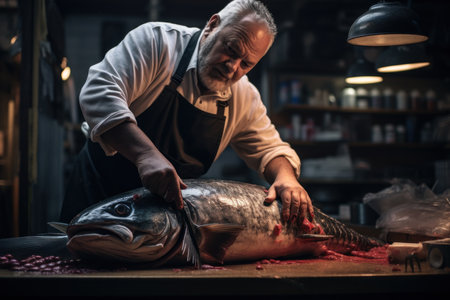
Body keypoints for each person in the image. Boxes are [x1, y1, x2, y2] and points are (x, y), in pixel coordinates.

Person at [60, 0, 314, 225]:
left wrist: (286, 177)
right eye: (231, 50)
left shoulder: (244, 96)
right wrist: (145, 155)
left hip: (163, 219)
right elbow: (100, 91)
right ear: (212, 25)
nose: (232, 67)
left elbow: (270, 149)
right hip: (97, 196)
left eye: (245, 64)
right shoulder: (158, 42)